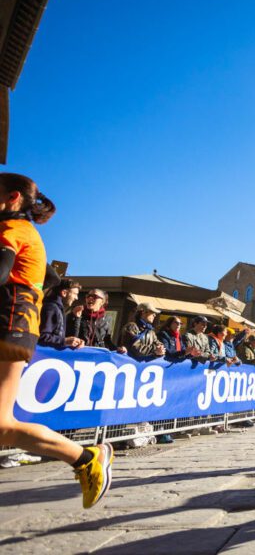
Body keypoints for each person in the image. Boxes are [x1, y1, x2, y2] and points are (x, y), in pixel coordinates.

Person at [0, 173, 112, 508]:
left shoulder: (12, 231)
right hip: (17, 327)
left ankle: (85, 457)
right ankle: (84, 457)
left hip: (9, 328)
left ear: (12, 198)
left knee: (3, 426)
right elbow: (49, 277)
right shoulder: (26, 232)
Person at [67, 288, 126, 353]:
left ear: (102, 302)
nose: (90, 298)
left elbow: (107, 341)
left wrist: (118, 349)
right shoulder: (76, 313)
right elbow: (70, 338)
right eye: (88, 296)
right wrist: (77, 318)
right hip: (78, 354)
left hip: (96, 357)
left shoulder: (107, 319)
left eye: (94, 296)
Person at [38, 278, 84, 349]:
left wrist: (74, 341)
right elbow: (41, 336)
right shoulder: (51, 308)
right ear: (64, 293)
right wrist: (64, 341)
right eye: (75, 294)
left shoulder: (57, 309)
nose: (76, 298)